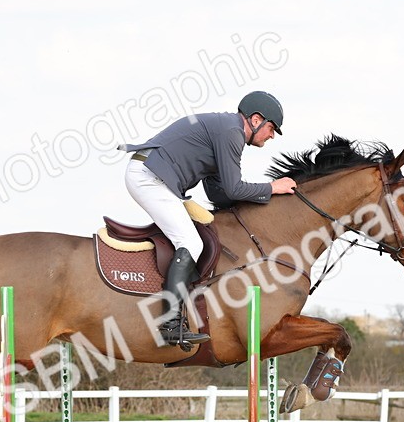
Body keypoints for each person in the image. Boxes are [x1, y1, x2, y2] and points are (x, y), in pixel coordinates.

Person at [121, 91, 298, 347]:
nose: (271, 136)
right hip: (148, 176)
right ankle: (170, 324)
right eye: (271, 128)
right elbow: (235, 189)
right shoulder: (231, 133)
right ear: (256, 119)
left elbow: (220, 192)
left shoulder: (227, 130)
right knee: (191, 243)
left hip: (153, 175)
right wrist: (272, 188)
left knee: (194, 236)